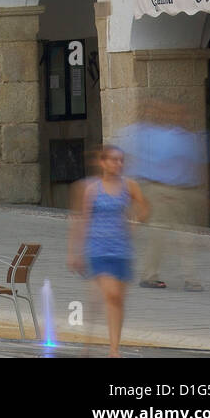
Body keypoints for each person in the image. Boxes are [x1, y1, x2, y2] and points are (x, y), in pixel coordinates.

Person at [68, 145, 150, 358]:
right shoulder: (93, 189)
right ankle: (102, 346)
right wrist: (75, 252)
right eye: (113, 160)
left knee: (117, 300)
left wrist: (135, 222)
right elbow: (82, 221)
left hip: (122, 250)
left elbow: (145, 208)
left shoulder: (129, 186)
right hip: (98, 249)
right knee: (111, 294)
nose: (118, 164)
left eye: (121, 160)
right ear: (103, 163)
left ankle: (114, 348)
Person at [117, 102, 208, 292]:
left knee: (186, 236)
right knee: (159, 234)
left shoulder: (188, 138)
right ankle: (150, 276)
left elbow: (197, 165)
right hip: (160, 191)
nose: (181, 118)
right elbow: (145, 164)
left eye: (183, 114)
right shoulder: (157, 136)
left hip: (183, 191)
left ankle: (190, 279)